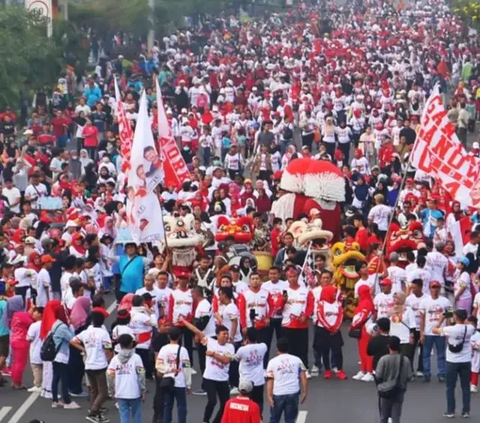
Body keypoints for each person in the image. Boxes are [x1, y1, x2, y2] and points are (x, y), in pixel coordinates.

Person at [181, 319, 234, 423]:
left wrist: (213, 354)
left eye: (227, 334)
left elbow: (226, 360)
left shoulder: (230, 347)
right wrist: (183, 321)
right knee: (212, 401)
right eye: (224, 334)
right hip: (210, 378)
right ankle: (206, 420)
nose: (226, 336)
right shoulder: (210, 341)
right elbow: (195, 330)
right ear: (217, 335)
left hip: (223, 379)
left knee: (225, 404)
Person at [71, 307, 113, 423]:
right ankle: (93, 411)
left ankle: (95, 413)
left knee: (94, 390)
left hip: (89, 365)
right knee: (103, 392)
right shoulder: (103, 333)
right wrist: (110, 360)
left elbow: (73, 341)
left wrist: (84, 349)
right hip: (100, 365)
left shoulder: (86, 332)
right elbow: (108, 349)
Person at [433, 309, 476, 418]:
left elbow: (434, 330)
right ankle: (466, 411)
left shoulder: (449, 329)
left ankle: (450, 410)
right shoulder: (470, 328)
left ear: (456, 317)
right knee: (465, 387)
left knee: (450, 387)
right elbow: (467, 324)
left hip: (452, 361)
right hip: (466, 360)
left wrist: (442, 319)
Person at [266, 337, 308, 423]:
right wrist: (305, 392)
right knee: (290, 419)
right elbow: (303, 376)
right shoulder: (297, 360)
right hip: (293, 393)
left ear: (278, 348)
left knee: (274, 419)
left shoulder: (272, 362)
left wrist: (269, 396)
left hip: (278, 394)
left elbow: (270, 380)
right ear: (289, 348)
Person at [107, 334, 146, 423]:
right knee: (137, 415)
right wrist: (143, 390)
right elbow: (141, 375)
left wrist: (111, 390)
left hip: (120, 392)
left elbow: (109, 375)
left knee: (124, 416)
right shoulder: (137, 358)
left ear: (120, 345)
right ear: (131, 344)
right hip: (134, 392)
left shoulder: (115, 359)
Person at [156, 326, 191, 423]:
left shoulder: (163, 349)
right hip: (180, 382)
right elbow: (187, 368)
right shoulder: (183, 350)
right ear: (180, 337)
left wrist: (168, 369)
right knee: (181, 406)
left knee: (167, 405)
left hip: (167, 380)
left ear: (168, 336)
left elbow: (158, 365)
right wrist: (188, 384)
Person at [375, 336, 413, 423]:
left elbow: (378, 375)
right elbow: (409, 376)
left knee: (384, 416)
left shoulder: (383, 359)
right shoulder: (405, 360)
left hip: (385, 391)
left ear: (388, 346)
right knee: (396, 417)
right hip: (399, 390)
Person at [420, 280, 451, 383]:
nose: (435, 289)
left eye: (437, 287)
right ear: (430, 288)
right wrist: (421, 333)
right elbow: (422, 318)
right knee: (426, 354)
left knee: (441, 354)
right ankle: (426, 373)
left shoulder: (446, 301)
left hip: (440, 331)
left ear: (439, 288)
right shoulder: (424, 301)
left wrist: (448, 331)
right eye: (433, 287)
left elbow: (449, 317)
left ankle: (441, 373)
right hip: (428, 332)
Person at [50, 302, 80, 409]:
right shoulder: (63, 326)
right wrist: (71, 326)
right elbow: (72, 338)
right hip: (61, 355)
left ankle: (55, 400)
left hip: (55, 355)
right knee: (64, 378)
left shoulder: (55, 323)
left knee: (56, 378)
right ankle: (67, 401)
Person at [235, 327, 267, 415]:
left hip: (245, 381)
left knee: (245, 404)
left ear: (247, 337)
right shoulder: (263, 347)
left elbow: (236, 358)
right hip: (258, 381)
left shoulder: (242, 350)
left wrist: (245, 345)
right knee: (258, 403)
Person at [350, 285, 375, 382]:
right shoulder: (364, 302)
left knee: (367, 351)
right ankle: (363, 370)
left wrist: (353, 325)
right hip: (361, 329)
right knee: (361, 351)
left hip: (366, 329)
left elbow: (363, 316)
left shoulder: (367, 303)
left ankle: (369, 371)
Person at [26, 306, 44, 392]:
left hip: (36, 349)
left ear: (40, 314)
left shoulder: (34, 325)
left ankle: (37, 384)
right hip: (45, 350)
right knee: (44, 368)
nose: (33, 313)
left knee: (36, 368)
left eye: (35, 312)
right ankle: (44, 384)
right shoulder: (48, 323)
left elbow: (29, 338)